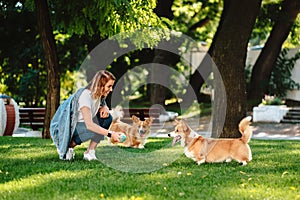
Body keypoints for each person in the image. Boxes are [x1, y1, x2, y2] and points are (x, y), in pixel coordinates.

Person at [50, 70, 123, 161]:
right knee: (94, 128)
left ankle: (90, 152)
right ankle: (67, 146)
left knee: (107, 119)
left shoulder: (99, 95)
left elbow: (101, 102)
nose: (111, 89)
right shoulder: (85, 96)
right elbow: (89, 125)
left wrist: (104, 106)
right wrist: (111, 134)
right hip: (66, 129)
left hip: (80, 127)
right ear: (100, 86)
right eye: (109, 86)